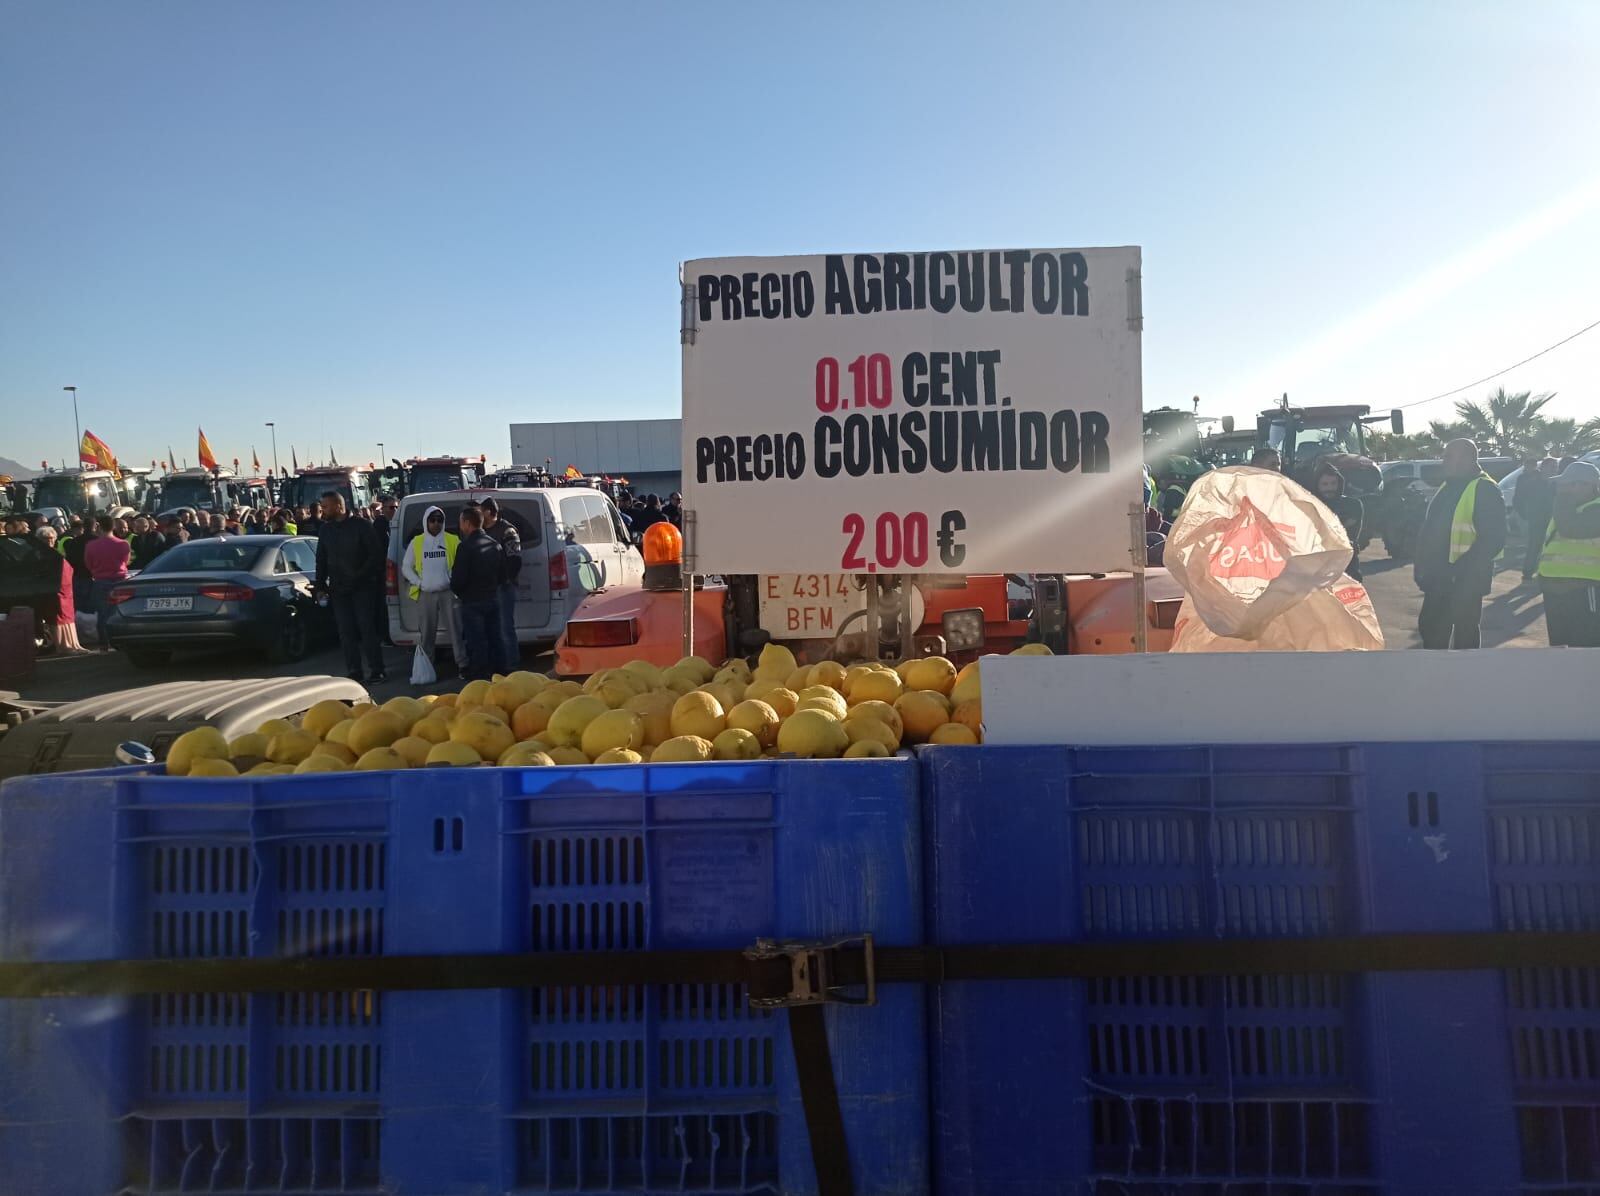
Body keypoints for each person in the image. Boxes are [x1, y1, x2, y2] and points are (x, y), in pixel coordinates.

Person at [1414, 438, 1506, 649]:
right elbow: (1429, 530)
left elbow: (1493, 540)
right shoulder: (1448, 486)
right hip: (1438, 579)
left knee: (1465, 640)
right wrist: (1421, 568)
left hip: (1466, 582)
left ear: (1467, 458)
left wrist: (1459, 572)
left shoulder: (1485, 488)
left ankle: (1464, 672)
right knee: (1431, 632)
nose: (1443, 461)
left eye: (1448, 457)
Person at [313, 492, 385, 683]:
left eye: (326, 507)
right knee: (346, 632)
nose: (322, 510)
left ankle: (377, 669)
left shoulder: (362, 525)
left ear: (338, 506)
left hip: (363, 587)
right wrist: (320, 586)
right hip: (338, 589)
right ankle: (354, 671)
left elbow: (375, 555)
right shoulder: (325, 530)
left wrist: (359, 576)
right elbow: (321, 559)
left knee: (366, 628)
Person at [1538, 460, 1600, 647]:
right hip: (1555, 586)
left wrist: (1562, 499)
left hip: (1585, 587)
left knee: (1585, 645)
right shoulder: (1568, 508)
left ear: (1587, 485)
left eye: (1566, 485)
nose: (1561, 489)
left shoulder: (1595, 509)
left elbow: (1570, 528)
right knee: (1559, 646)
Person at [401, 505, 466, 678]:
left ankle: (463, 665)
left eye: (440, 520)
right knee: (427, 634)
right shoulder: (417, 542)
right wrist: (419, 583)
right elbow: (406, 567)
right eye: (432, 520)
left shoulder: (453, 540)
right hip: (426, 594)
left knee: (456, 630)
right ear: (426, 522)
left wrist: (453, 580)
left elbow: (462, 564)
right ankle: (427, 668)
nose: (436, 523)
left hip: (448, 593)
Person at [449, 506, 503, 682]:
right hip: (492, 598)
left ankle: (480, 679)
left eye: (461, 522)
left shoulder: (465, 547)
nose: (460, 526)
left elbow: (458, 579)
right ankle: (499, 676)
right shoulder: (494, 544)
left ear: (467, 523)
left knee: (477, 642)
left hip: (472, 602)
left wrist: (461, 593)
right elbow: (502, 575)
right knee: (495, 639)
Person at [479, 497, 521, 671]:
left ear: (489, 512)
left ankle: (511, 667)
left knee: (505, 628)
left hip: (503, 587)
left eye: (480, 510)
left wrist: (505, 580)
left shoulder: (507, 531)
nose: (478, 514)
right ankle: (496, 665)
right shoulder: (481, 531)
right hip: (486, 588)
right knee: (490, 628)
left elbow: (515, 559)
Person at [83, 514, 131, 650]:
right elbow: (126, 562)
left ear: (99, 527)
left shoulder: (91, 545)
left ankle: (104, 643)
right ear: (113, 527)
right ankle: (121, 641)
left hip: (101, 581)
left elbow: (88, 564)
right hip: (120, 581)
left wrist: (97, 571)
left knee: (102, 613)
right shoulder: (123, 544)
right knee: (120, 612)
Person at [34, 527, 84, 653]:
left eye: (51, 538)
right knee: (56, 617)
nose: (49, 541)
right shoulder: (38, 555)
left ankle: (74, 644)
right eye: (45, 539)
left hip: (65, 590)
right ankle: (62, 645)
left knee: (68, 616)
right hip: (51, 591)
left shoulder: (55, 553)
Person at [1313, 461, 1364, 580]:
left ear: (1339, 483)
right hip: (1317, 567)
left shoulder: (1352, 505)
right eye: (1325, 484)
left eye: (1333, 483)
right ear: (1317, 485)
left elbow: (1347, 532)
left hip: (1347, 565)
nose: (1329, 488)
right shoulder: (1312, 505)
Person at [1514, 458, 1558, 582]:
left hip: (1552, 519)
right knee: (1534, 545)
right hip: (1536, 519)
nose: (1554, 470)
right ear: (1543, 467)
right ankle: (1528, 572)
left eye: (1555, 467)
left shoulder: (1556, 483)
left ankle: (1547, 571)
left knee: (1551, 546)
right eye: (1551, 467)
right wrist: (1525, 515)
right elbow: (1519, 499)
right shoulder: (1532, 483)